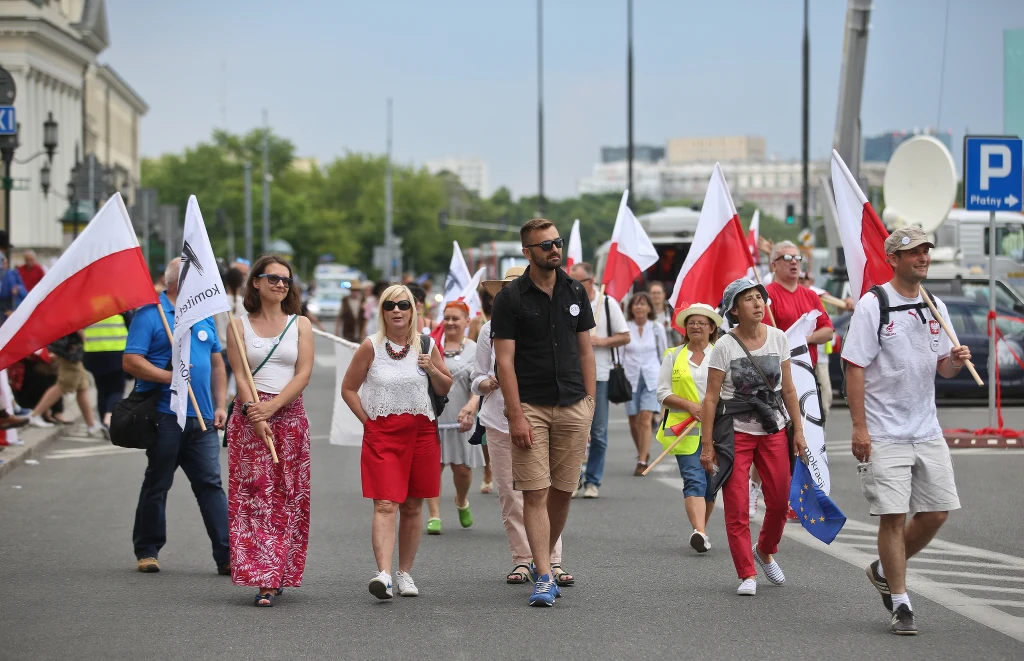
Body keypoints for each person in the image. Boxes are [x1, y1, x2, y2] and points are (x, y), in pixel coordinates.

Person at [842, 227, 970, 636]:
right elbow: (855, 368)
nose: (923, 257)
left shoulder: (935, 306)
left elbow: (942, 368)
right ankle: (900, 602)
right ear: (893, 259)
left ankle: (882, 568)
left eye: (926, 251)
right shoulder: (873, 304)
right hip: (883, 431)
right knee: (893, 517)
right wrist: (859, 427)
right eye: (914, 252)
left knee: (936, 512)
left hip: (926, 428)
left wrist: (953, 359)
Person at [491, 218, 596, 607]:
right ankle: (545, 574)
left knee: (563, 492)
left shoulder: (575, 291)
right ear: (528, 253)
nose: (554, 249)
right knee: (534, 492)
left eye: (557, 242)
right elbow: (505, 362)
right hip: (530, 406)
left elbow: (586, 350)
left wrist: (590, 404)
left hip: (573, 405)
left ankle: (541, 561)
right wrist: (515, 415)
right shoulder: (510, 298)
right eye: (545, 245)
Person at [341, 284, 452, 599]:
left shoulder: (427, 345)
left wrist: (432, 369)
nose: (397, 311)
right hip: (383, 432)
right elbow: (348, 388)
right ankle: (384, 574)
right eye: (390, 305)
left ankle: (405, 573)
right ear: (382, 311)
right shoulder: (371, 347)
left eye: (403, 305)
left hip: (422, 432)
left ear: (413, 310)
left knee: (414, 506)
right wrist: (368, 423)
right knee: (386, 502)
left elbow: (445, 388)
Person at [700, 278, 807, 596]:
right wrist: (707, 445)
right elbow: (710, 397)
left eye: (760, 297)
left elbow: (788, 388)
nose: (758, 303)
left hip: (772, 429)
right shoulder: (724, 345)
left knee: (778, 501)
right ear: (734, 309)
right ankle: (746, 573)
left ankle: (765, 549)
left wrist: (798, 431)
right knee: (736, 507)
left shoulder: (778, 337)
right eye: (749, 299)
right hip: (735, 434)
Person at [123, 258, 230, 575]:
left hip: (203, 418)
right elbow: (131, 361)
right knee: (158, 483)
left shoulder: (204, 316)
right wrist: (167, 377)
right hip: (164, 417)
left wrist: (221, 404)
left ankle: (226, 555)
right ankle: (147, 549)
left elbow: (218, 364)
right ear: (175, 283)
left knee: (210, 485)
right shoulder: (151, 315)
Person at [226, 255, 314, 607]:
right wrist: (254, 413)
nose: (280, 285)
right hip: (250, 420)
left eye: (286, 281)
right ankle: (261, 576)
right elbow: (239, 373)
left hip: (289, 416)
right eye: (273, 278)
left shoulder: (301, 325)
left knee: (286, 497)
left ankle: (278, 572)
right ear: (256, 283)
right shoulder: (237, 326)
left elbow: (303, 374)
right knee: (254, 499)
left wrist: (273, 408)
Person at [473, 267, 570, 585]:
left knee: (544, 491)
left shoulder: (549, 325)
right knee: (510, 495)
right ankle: (522, 559)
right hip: (499, 421)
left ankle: (552, 561)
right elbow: (476, 377)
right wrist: (488, 382)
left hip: (542, 418)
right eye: (508, 289)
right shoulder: (488, 330)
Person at [656, 303, 721, 553]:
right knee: (693, 479)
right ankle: (700, 531)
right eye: (691, 322)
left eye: (701, 322)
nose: (696, 326)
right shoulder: (673, 354)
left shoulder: (720, 354)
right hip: (684, 431)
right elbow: (662, 392)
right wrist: (692, 407)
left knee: (711, 484)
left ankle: (700, 530)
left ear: (712, 327)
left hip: (716, 430)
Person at [569, 262, 629, 499]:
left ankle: (593, 480)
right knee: (573, 429)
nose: (573, 285)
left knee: (599, 431)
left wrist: (600, 342)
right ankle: (573, 478)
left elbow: (625, 337)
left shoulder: (606, 303)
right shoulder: (568, 302)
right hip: (572, 375)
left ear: (590, 282)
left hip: (601, 375)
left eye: (578, 281)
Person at [425, 300, 484, 534]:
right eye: (446, 318)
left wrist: (472, 405)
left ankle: (461, 501)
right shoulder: (431, 345)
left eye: (455, 318)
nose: (450, 323)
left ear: (467, 322)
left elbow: (479, 382)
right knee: (432, 467)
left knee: (462, 469)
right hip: (433, 416)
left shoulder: (475, 348)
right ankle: (434, 515)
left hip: (462, 417)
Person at [621, 291, 668, 476]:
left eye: (643, 304)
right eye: (636, 304)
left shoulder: (657, 328)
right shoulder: (625, 327)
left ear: (649, 308)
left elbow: (664, 354)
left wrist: (666, 381)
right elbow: (621, 355)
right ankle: (642, 450)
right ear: (631, 308)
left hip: (651, 377)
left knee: (645, 418)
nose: (639, 307)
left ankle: (642, 461)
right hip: (630, 378)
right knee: (633, 420)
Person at [26, 331, 104, 436]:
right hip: (70, 350)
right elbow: (77, 328)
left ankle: (91, 424)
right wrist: (83, 339)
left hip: (69, 348)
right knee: (63, 385)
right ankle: (34, 415)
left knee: (82, 386)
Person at [82, 314, 131, 432]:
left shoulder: (89, 307)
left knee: (102, 390)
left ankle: (103, 420)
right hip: (116, 353)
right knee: (117, 389)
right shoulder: (120, 307)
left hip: (93, 353)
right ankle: (108, 418)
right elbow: (132, 328)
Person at [648, 281, 681, 346]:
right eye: (653, 293)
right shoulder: (645, 314)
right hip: (650, 354)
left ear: (664, 294)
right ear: (649, 295)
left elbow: (677, 339)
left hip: (669, 353)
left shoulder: (672, 314)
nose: (656, 295)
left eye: (658, 293)